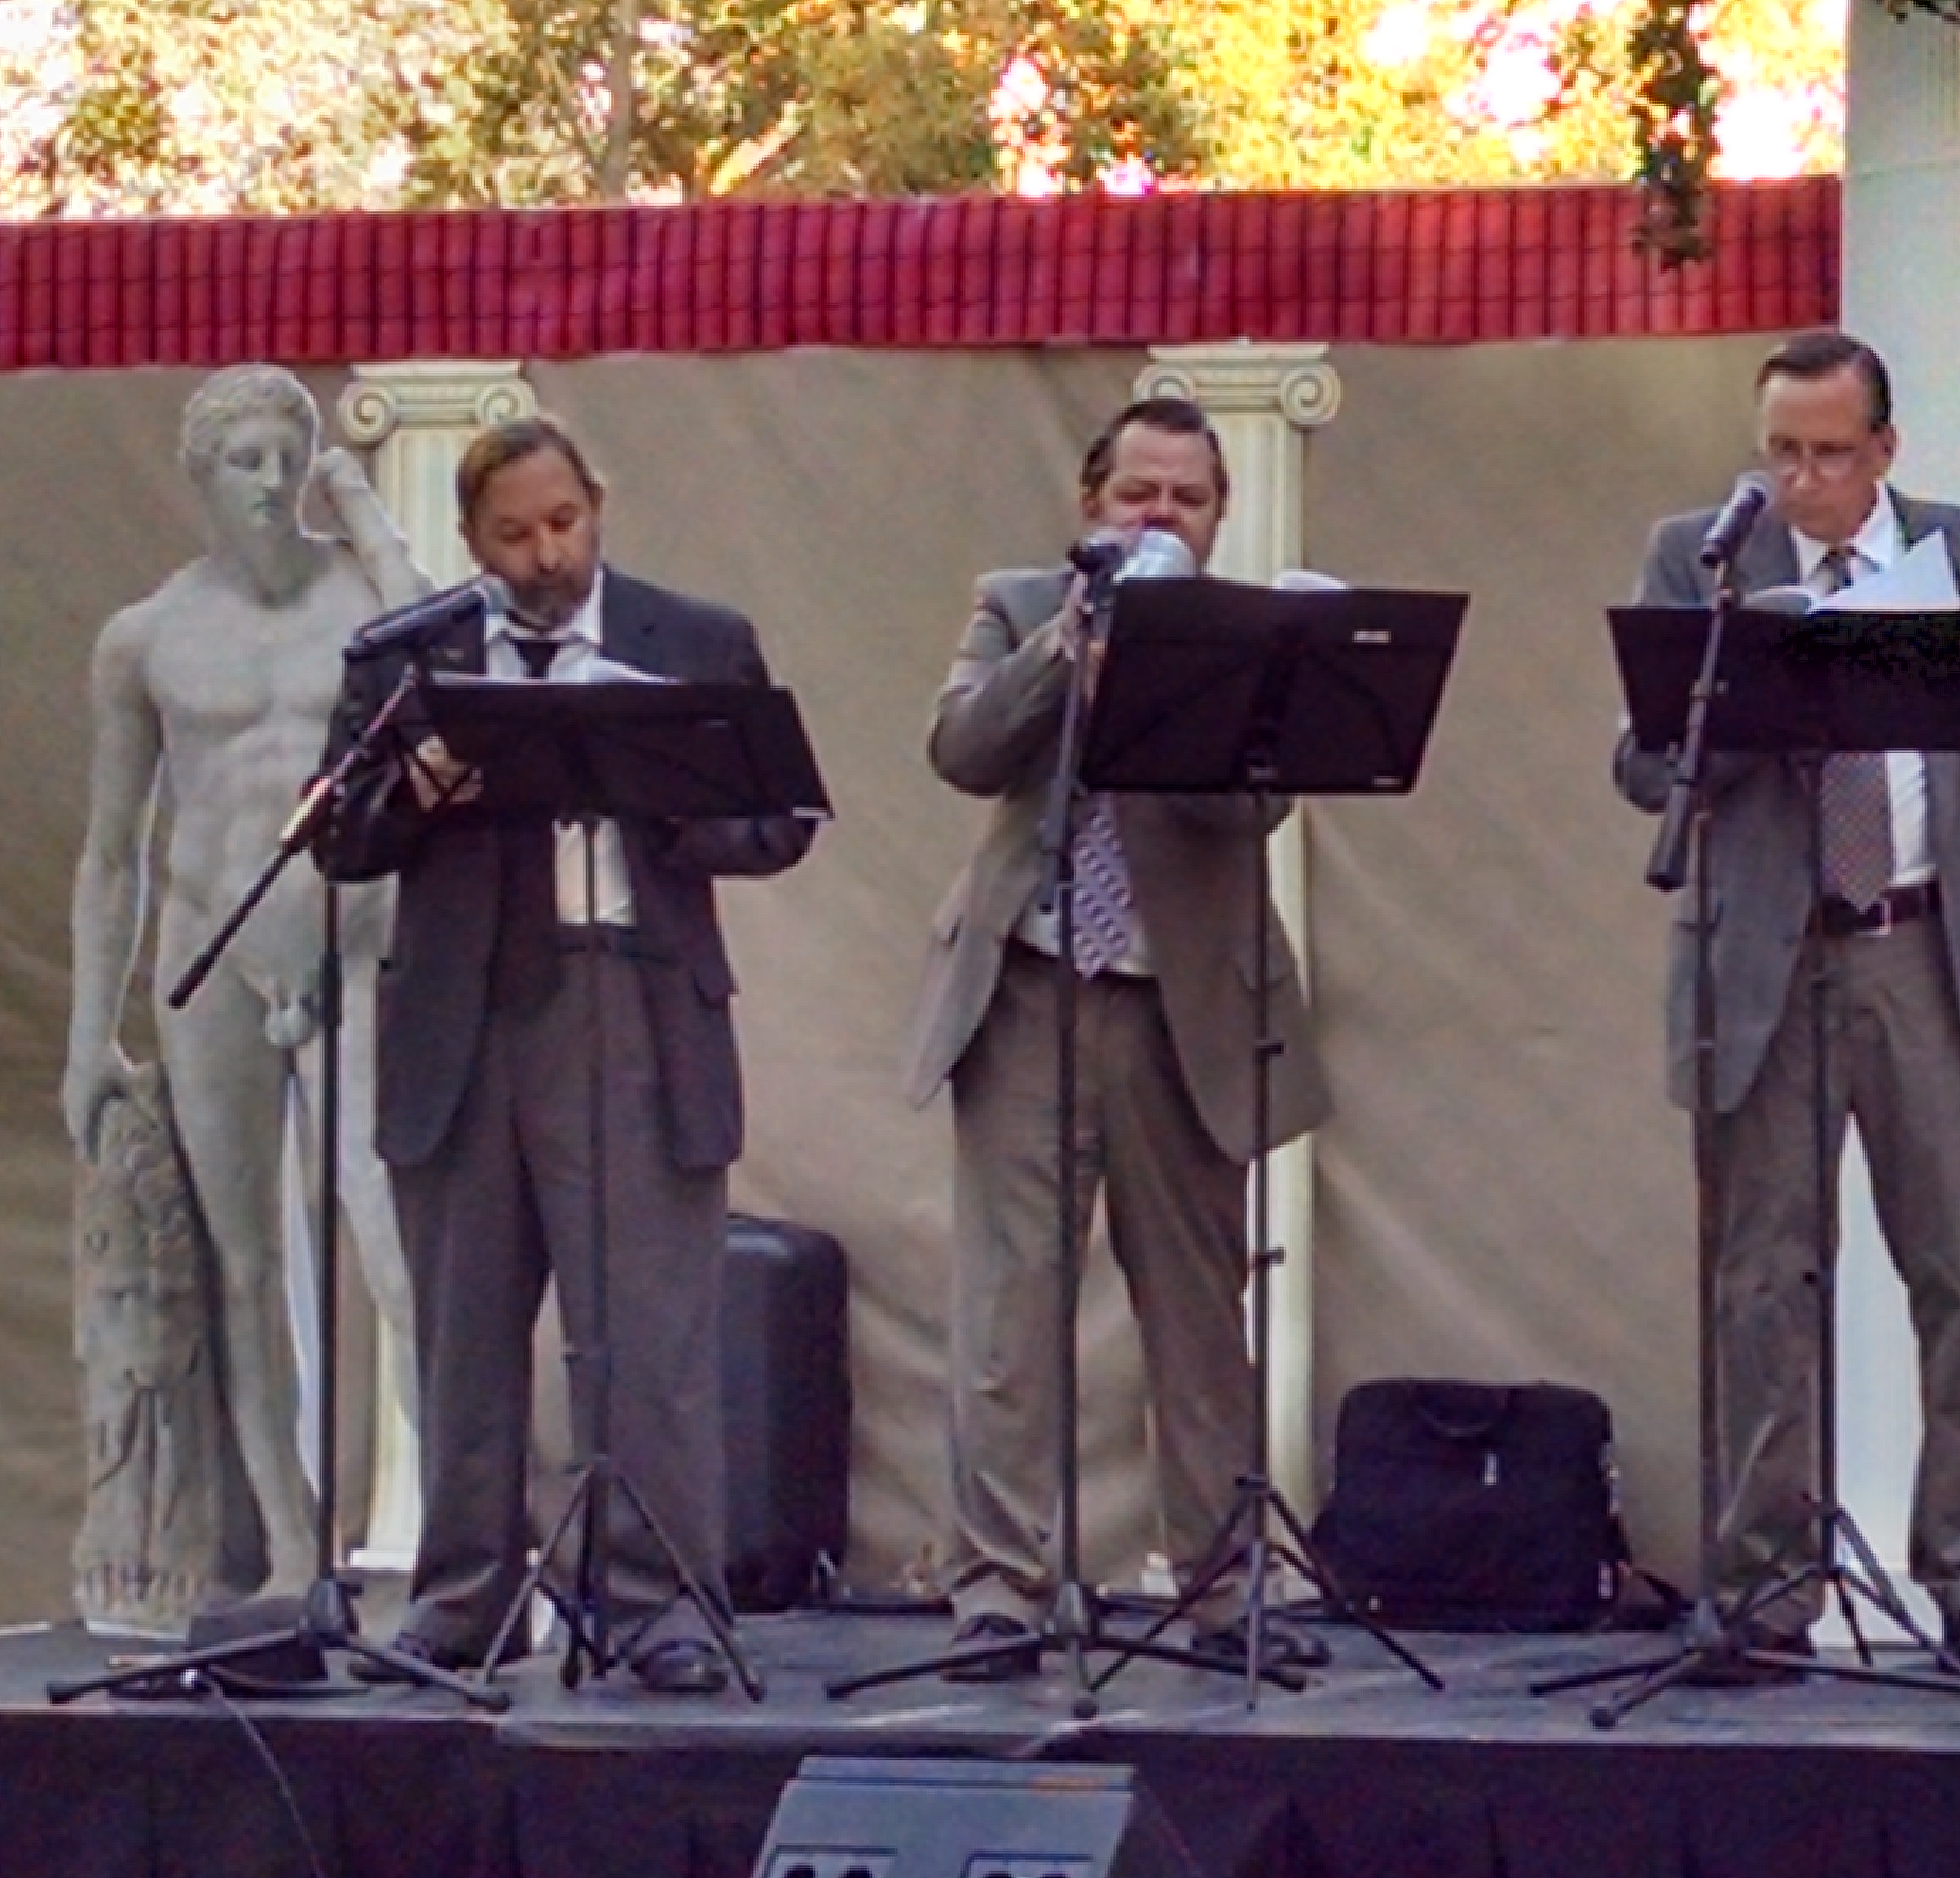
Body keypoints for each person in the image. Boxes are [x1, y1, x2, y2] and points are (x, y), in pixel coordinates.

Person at [1615, 331, 1960, 1684]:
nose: (1803, 480)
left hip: (1923, 945)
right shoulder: (1703, 554)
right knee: (1762, 1280)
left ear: (1885, 449)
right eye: (1781, 452)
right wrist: (1739, 696)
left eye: (1830, 453)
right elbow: (1643, 769)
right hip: (1766, 954)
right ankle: (1766, 1585)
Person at [324, 415, 816, 1694]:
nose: (546, 556)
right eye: (514, 536)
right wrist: (416, 786)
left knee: (648, 1336)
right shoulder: (413, 655)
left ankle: (660, 1608)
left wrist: (663, 787)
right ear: (470, 541)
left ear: (597, 505)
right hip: (465, 1015)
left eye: (564, 523)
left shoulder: (691, 639)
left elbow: (781, 821)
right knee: (465, 1332)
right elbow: (337, 838)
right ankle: (461, 1603)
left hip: (634, 999)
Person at [902, 395, 1331, 1679]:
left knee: (1198, 1315)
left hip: (1177, 999)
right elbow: (962, 748)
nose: (1161, 517)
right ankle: (999, 1590)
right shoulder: (1020, 603)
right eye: (1139, 494)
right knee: (1009, 1314)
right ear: (1093, 504)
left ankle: (1221, 1590)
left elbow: (1253, 813)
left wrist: (1173, 688)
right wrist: (1068, 656)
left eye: (1188, 500)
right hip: (1028, 984)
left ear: (1218, 518)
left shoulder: (1245, 632)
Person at [67, 364, 435, 1597]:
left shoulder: (363, 596)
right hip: (209, 954)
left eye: (289, 456)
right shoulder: (148, 636)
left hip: (353, 940)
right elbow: (112, 853)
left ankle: (462, 1548)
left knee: (392, 1249)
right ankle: (290, 1547)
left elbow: (442, 650)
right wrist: (90, 1037)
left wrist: (364, 509)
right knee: (241, 1265)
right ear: (201, 477)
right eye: (247, 462)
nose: (273, 483)